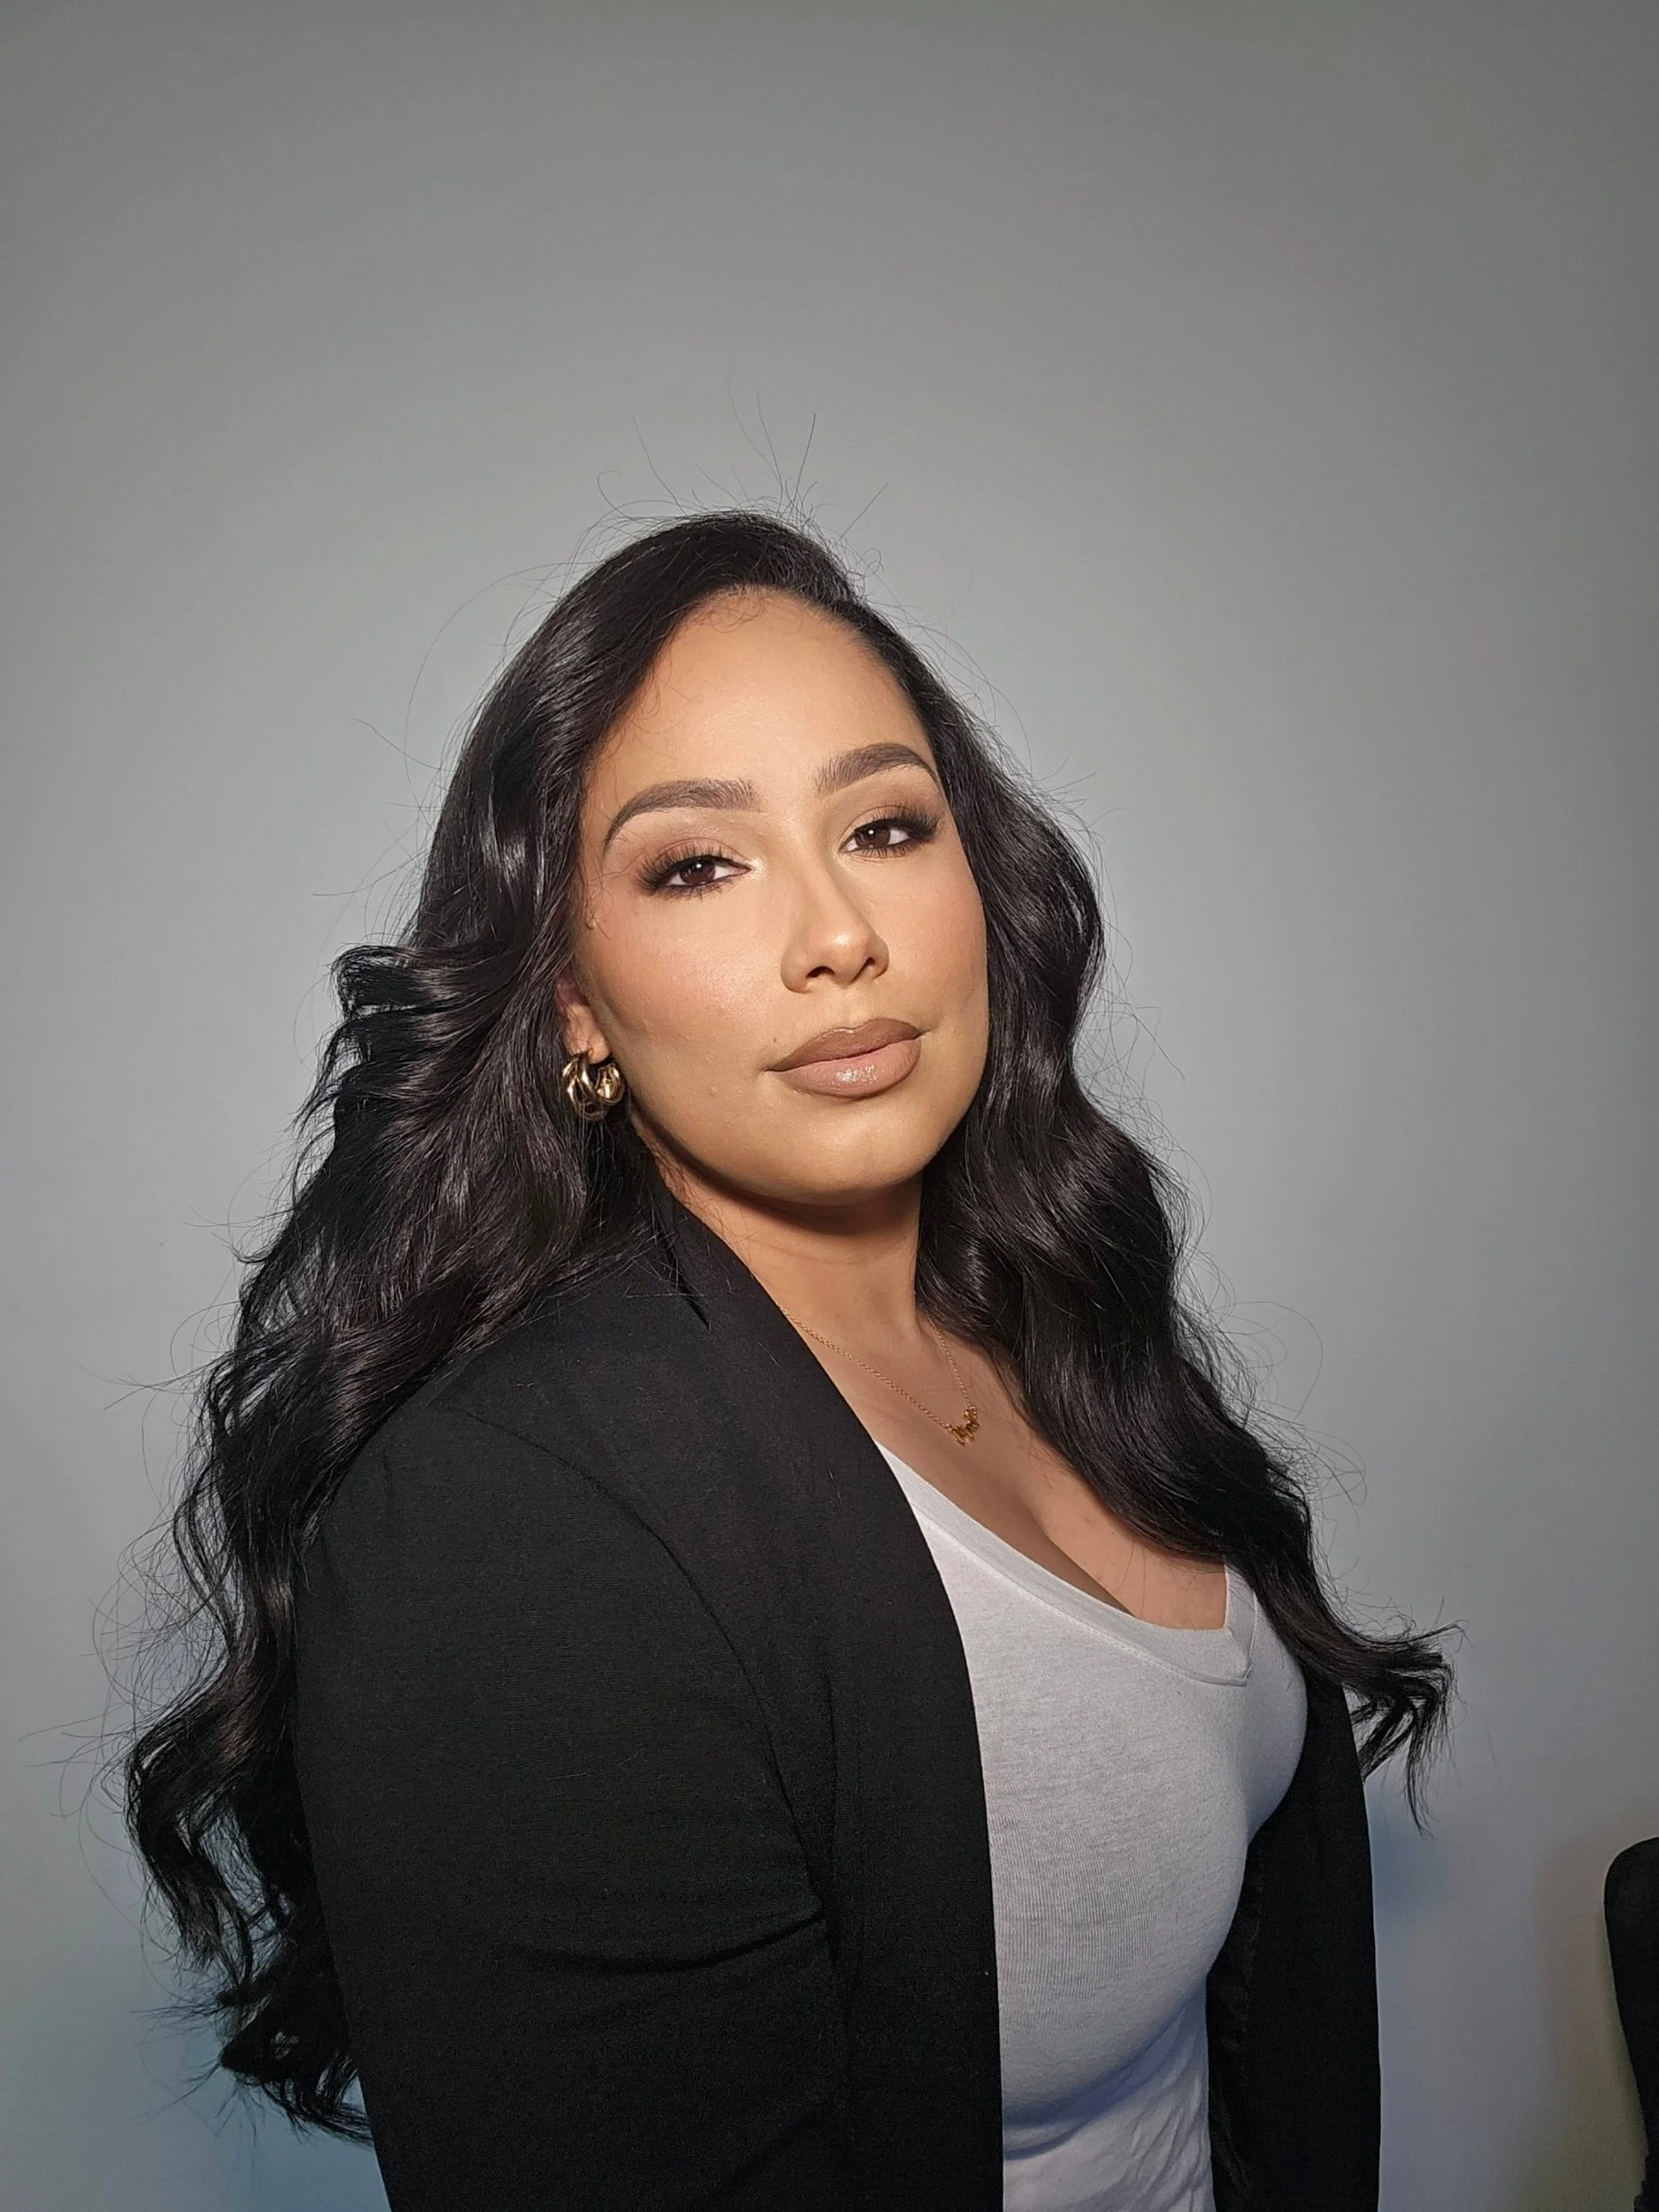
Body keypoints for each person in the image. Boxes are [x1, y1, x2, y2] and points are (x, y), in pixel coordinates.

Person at [125, 510, 1451, 2210]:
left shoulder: (1055, 1317)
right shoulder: (504, 1525)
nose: (836, 934)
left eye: (885, 827)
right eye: (697, 864)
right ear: (571, 1001)